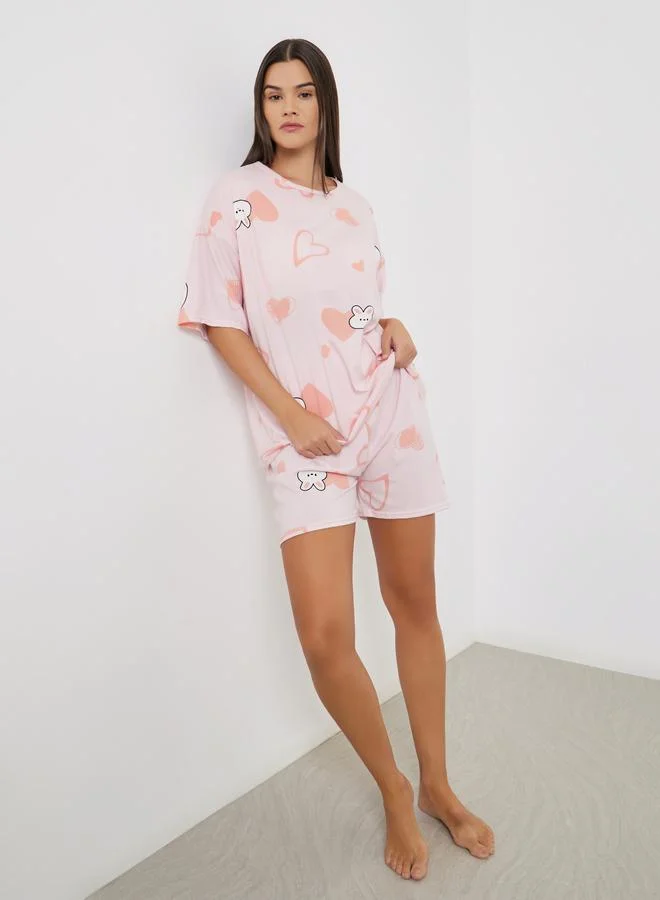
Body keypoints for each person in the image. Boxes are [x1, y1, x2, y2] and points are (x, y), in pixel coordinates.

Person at [177, 37, 494, 882]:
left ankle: (438, 783)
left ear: (325, 104)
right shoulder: (237, 199)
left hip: (391, 415)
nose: (288, 107)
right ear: (260, 108)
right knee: (324, 636)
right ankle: (393, 785)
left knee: (414, 603)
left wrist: (393, 326)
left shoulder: (355, 206)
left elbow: (354, 309)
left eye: (304, 92)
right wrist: (291, 415)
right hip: (305, 438)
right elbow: (219, 319)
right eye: (273, 94)